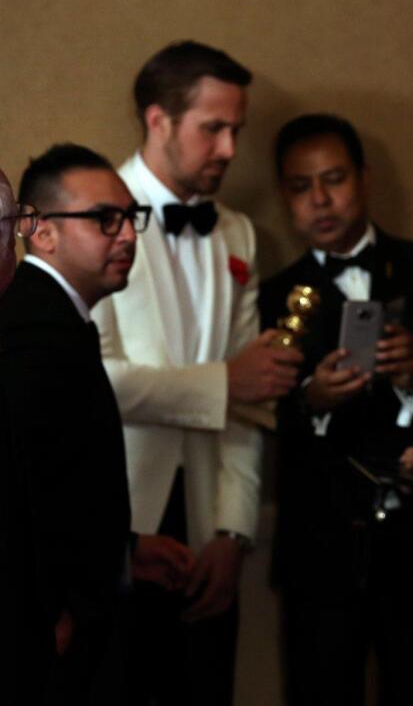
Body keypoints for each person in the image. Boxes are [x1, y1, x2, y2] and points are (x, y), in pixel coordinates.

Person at [92, 41, 302, 705]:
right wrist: (222, 382)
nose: (231, 148)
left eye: (235, 128)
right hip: (117, 521)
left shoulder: (237, 234)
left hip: (209, 525)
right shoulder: (92, 219)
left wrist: (233, 531)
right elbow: (98, 381)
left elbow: (255, 393)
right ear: (158, 121)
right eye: (213, 127)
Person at [260, 113, 413, 705]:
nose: (320, 200)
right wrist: (313, 400)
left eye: (334, 179)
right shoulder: (271, 295)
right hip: (319, 549)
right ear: (284, 195)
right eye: (301, 187)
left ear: (364, 179)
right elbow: (256, 417)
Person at [0, 145, 193, 703]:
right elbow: (27, 492)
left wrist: (127, 548)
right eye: (105, 219)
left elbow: (66, 479)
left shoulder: (60, 319)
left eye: (131, 217)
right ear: (40, 232)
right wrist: (55, 608)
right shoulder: (31, 325)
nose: (129, 235)